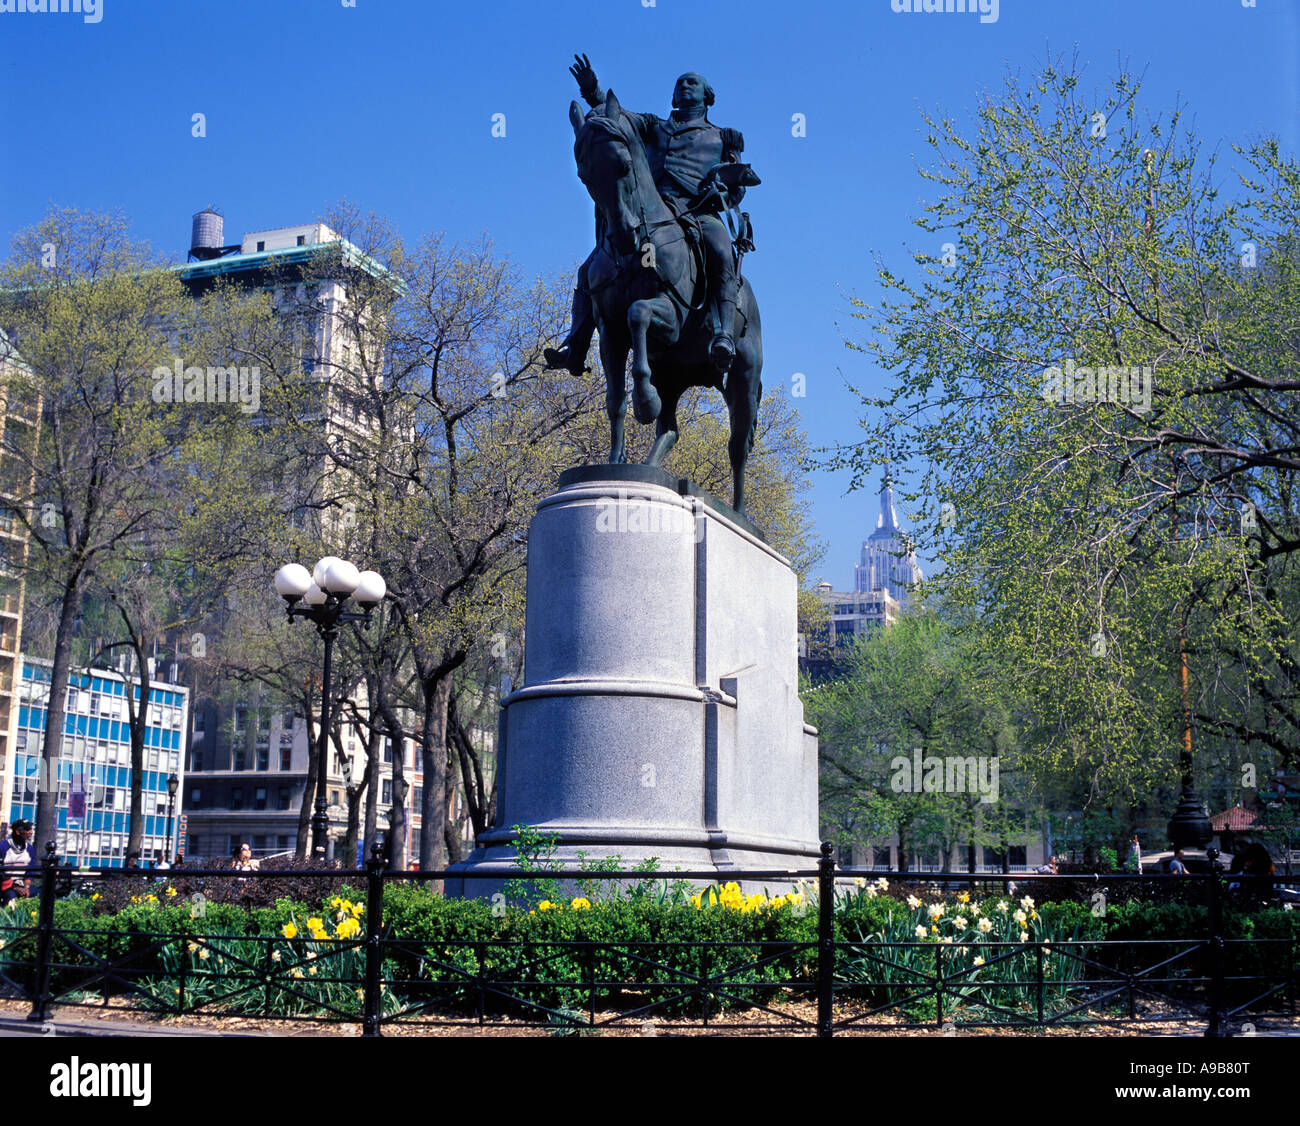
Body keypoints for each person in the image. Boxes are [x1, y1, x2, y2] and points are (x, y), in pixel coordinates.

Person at [544, 55, 755, 380]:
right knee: (590, 268)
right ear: (672, 97)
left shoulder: (724, 136)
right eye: (680, 83)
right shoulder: (654, 126)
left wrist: (722, 192)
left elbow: (737, 189)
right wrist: (592, 91)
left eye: (692, 82)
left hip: (698, 212)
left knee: (721, 250)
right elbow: (618, 115)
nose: (685, 86)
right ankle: (576, 345)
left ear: (706, 96)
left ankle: (723, 334)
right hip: (652, 212)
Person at [0, 820, 35, 903]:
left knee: (45, 894)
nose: (31, 832)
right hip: (6, 886)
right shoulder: (3, 847)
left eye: (31, 829)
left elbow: (30, 873)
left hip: (22, 885)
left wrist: (26, 888)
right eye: (27, 829)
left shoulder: (30, 849)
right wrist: (15, 887)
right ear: (18, 832)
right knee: (11, 897)